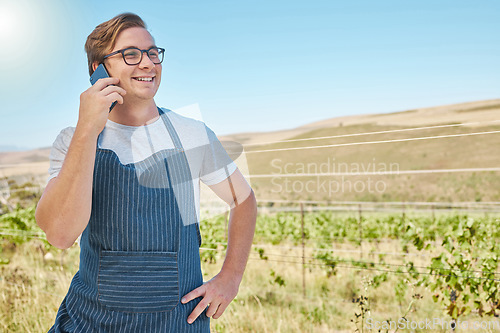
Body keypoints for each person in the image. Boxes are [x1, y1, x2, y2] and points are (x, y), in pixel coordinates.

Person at [35, 12, 257, 332]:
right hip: (92, 323)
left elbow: (244, 200)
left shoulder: (190, 133)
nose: (148, 63)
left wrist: (231, 277)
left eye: (153, 52)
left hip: (178, 323)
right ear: (98, 70)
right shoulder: (73, 140)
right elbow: (59, 234)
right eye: (131, 54)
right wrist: (87, 129)